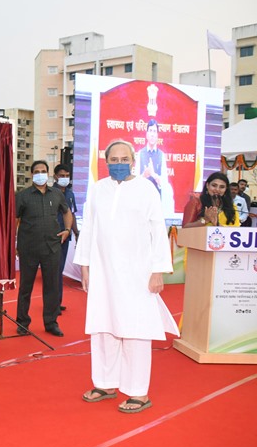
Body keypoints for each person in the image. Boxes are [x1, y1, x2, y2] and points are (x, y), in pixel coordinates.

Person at [75, 140, 179, 413]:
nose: (119, 164)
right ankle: (105, 383)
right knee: (103, 327)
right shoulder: (98, 190)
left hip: (138, 274)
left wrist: (158, 271)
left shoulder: (146, 189)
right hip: (103, 272)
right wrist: (84, 266)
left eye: (124, 159)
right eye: (114, 159)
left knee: (136, 331)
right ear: (106, 161)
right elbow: (89, 229)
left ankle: (138, 392)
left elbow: (158, 231)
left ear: (133, 161)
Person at [15, 160, 73, 337]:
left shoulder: (56, 194)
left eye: (43, 171)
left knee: (52, 287)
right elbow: (14, 219)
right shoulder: (23, 196)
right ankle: (22, 323)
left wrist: (67, 230)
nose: (40, 174)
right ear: (32, 174)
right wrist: (14, 243)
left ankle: (51, 323)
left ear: (48, 174)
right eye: (37, 171)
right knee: (26, 287)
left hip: (52, 247)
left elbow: (67, 212)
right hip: (29, 247)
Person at [53, 164, 79, 313]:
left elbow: (72, 214)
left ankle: (57, 302)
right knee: (54, 271)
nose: (64, 178)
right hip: (53, 236)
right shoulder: (50, 192)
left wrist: (76, 232)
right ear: (56, 176)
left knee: (60, 270)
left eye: (67, 176)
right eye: (61, 175)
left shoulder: (70, 194)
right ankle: (52, 303)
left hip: (66, 235)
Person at [135, 119, 175, 215]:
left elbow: (164, 182)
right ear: (146, 134)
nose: (152, 134)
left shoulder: (161, 155)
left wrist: (153, 174)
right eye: (150, 131)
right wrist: (144, 175)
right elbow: (135, 181)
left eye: (154, 132)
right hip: (142, 200)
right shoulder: (140, 154)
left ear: (157, 135)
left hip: (157, 201)